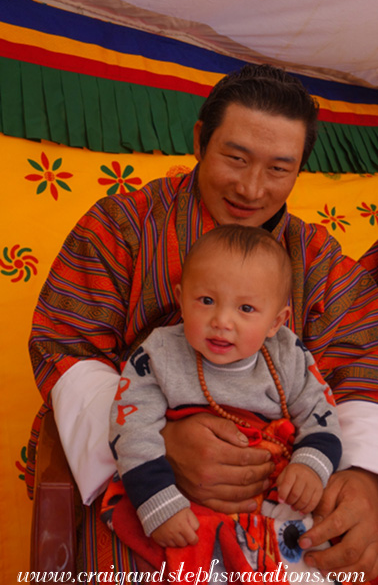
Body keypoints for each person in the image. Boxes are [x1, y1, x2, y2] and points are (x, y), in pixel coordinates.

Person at [29, 63, 378, 578]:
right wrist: (155, 445)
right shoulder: (119, 229)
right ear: (199, 139)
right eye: (235, 158)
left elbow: (362, 370)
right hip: (146, 487)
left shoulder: (320, 261)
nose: (252, 189)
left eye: (279, 169)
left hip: (283, 496)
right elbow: (64, 348)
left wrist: (364, 475)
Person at [109, 224, 342, 570]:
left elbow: (321, 414)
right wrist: (158, 502)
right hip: (181, 498)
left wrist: (310, 466)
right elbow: (130, 429)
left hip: (272, 493)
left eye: (246, 309)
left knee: (310, 550)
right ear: (181, 298)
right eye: (206, 301)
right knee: (180, 556)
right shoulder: (159, 354)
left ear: (277, 321)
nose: (221, 321)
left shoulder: (287, 355)